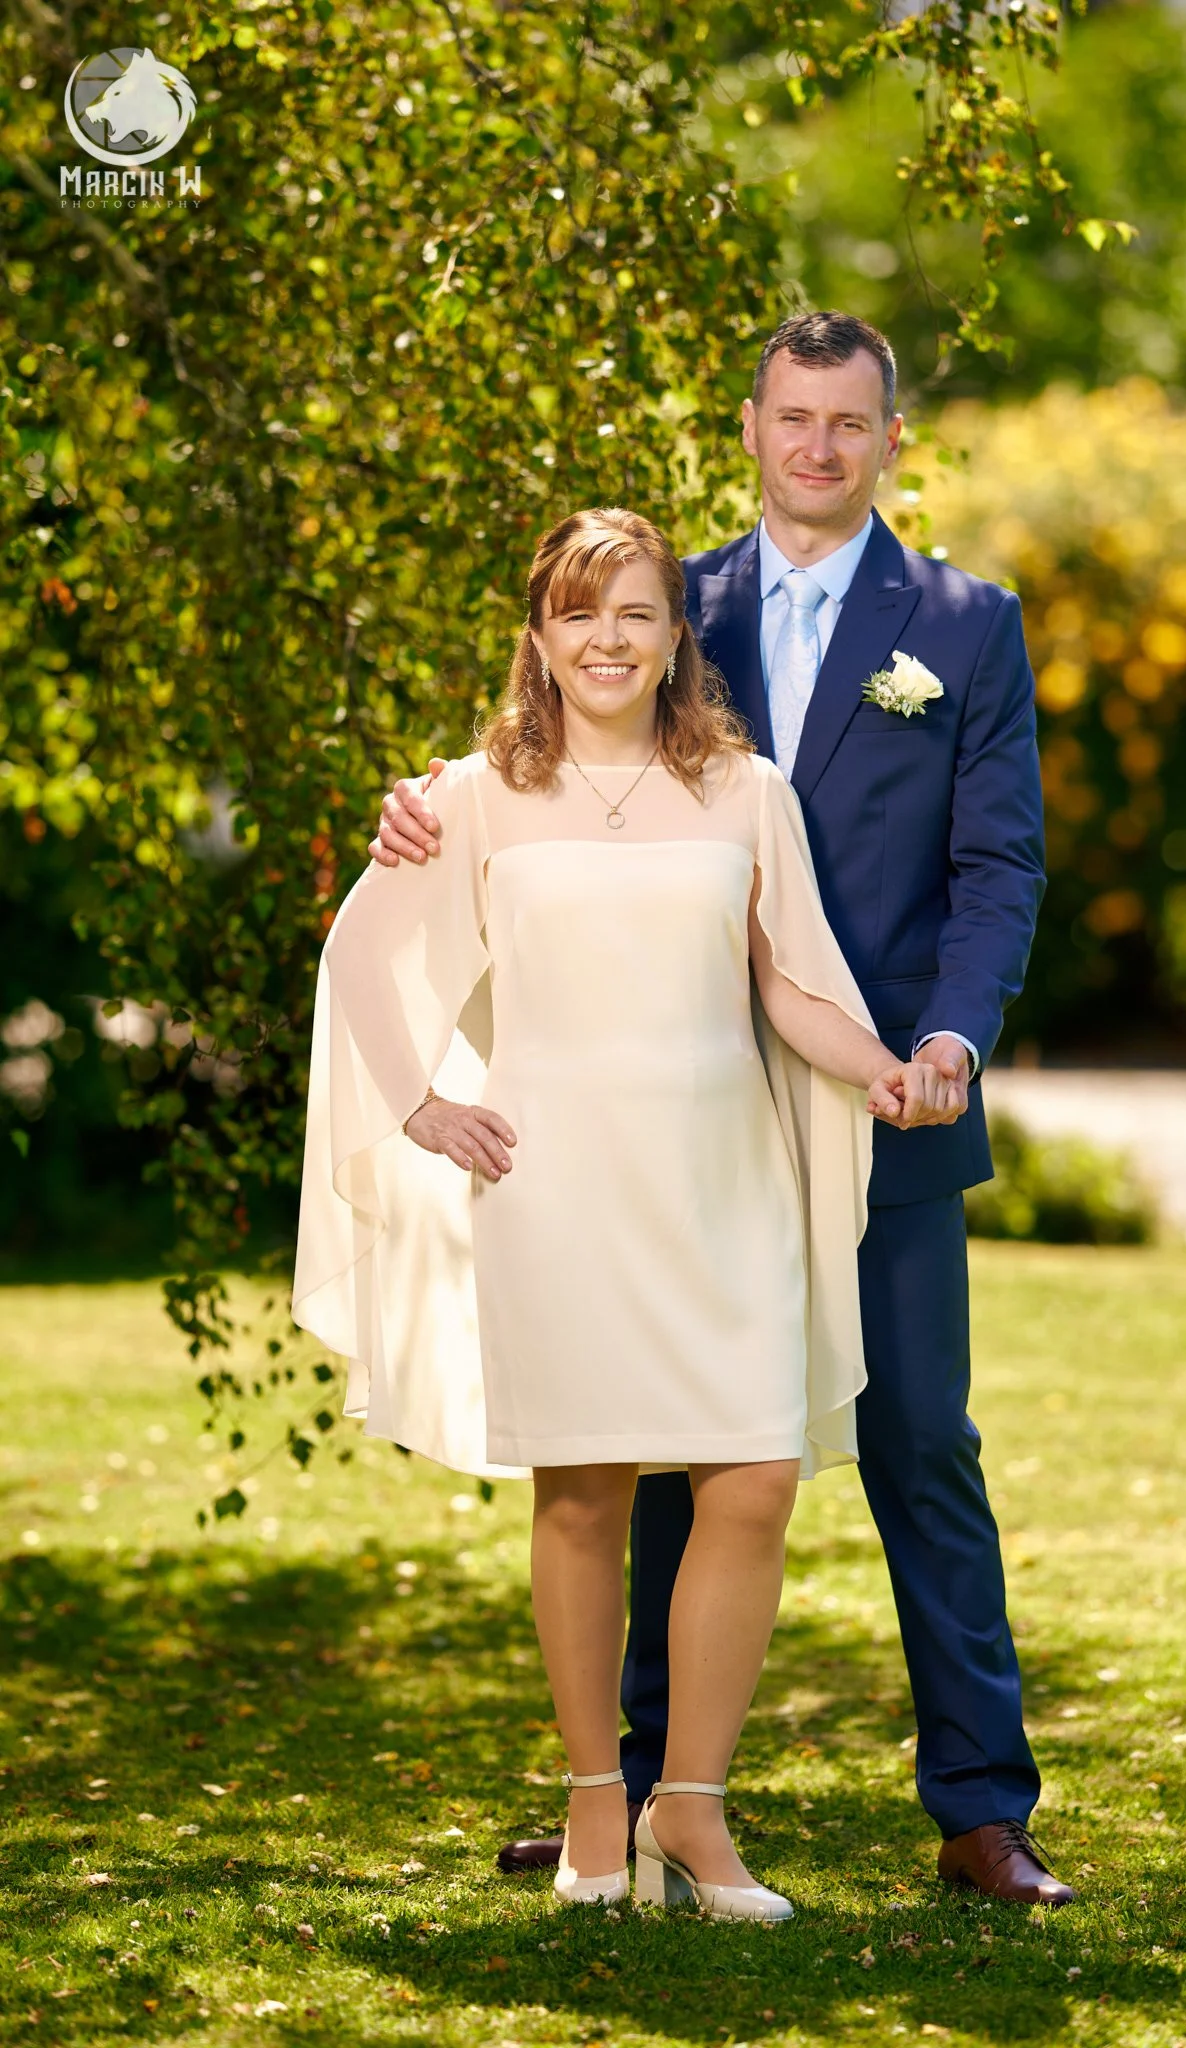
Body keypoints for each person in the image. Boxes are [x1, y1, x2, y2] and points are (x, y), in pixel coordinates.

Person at [371, 312, 1072, 1908]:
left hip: (876, 1097)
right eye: (791, 418)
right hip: (651, 1122)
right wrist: (415, 813)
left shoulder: (964, 625)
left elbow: (995, 865)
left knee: (916, 1447)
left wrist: (949, 1038)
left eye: (849, 422)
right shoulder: (658, 600)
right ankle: (617, 1802)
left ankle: (977, 1807)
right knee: (639, 1434)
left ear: (892, 438)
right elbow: (532, 762)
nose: (818, 447)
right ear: (747, 428)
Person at [294, 506, 965, 1921]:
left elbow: (789, 987)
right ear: (540, 637)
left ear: (675, 638)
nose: (608, 639)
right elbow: (363, 947)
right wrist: (419, 1101)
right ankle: (597, 1804)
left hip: (721, 1181)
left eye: (637, 613)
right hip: (557, 1184)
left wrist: (889, 1074)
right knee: (583, 1488)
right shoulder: (469, 796)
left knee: (754, 1479)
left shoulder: (743, 792)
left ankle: (694, 1813)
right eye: (579, 614)